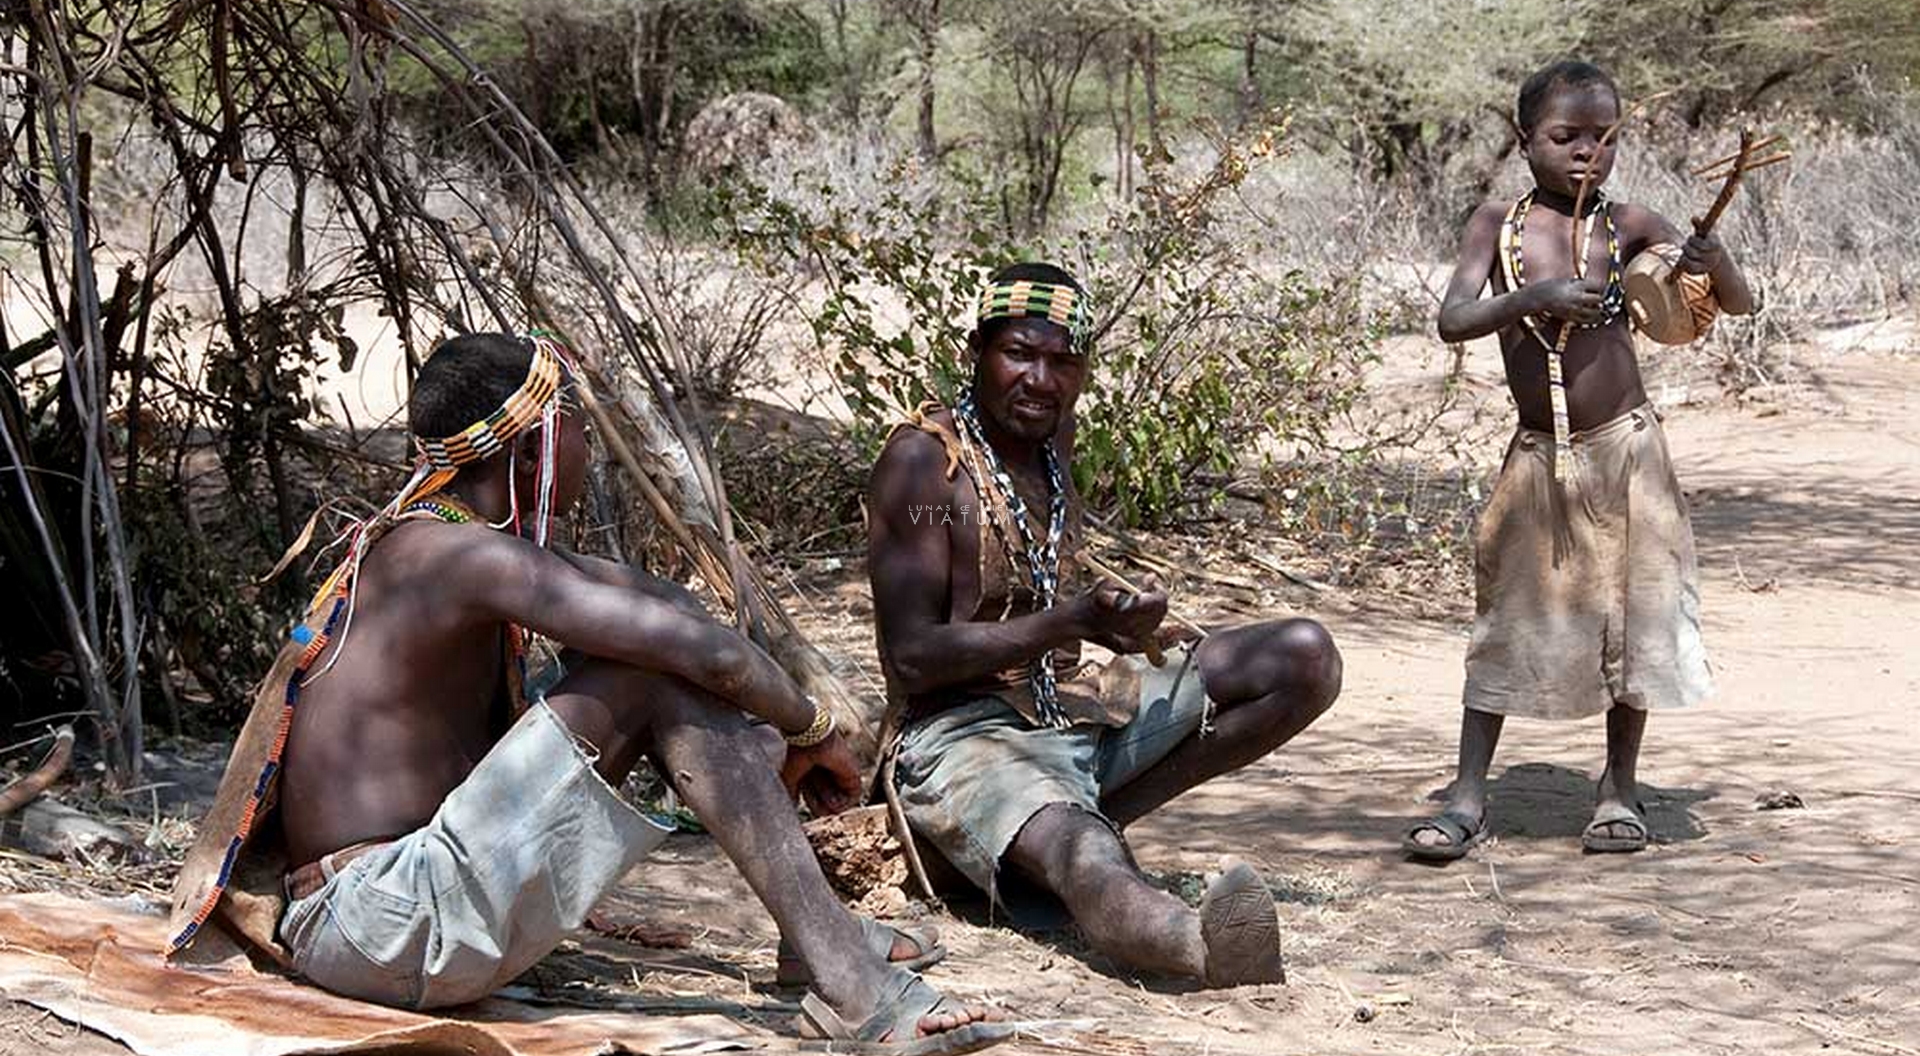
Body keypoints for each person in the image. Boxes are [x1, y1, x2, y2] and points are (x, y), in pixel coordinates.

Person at [167, 333, 1013, 1055]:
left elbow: (667, 608)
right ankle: (854, 985)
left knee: (686, 690)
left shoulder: (458, 544)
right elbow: (693, 650)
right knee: (653, 674)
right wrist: (817, 725)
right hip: (386, 926)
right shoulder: (461, 559)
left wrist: (772, 733)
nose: (586, 446)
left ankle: (817, 940)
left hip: (382, 923)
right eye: (573, 423)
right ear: (533, 446)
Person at [865, 263, 1343, 987]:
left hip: (1070, 704)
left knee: (1305, 656)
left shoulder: (1050, 441)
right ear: (976, 353)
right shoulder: (923, 463)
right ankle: (1193, 945)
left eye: (1063, 361)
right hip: (958, 735)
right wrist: (1073, 621)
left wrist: (1117, 615)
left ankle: (1071, 821)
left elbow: (1038, 585)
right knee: (1083, 852)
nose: (1040, 379)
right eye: (1019, 354)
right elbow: (909, 659)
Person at [1404, 61, 1753, 861]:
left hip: (1630, 454)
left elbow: (1732, 302)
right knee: (1507, 616)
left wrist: (1712, 257)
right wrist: (1533, 298)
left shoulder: (1630, 223)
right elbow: (1454, 318)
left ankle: (1618, 790)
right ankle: (1466, 795)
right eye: (1566, 137)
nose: (1586, 153)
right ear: (1522, 136)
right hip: (1541, 459)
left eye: (1603, 138)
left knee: (1634, 619)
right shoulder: (1495, 222)